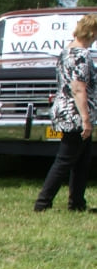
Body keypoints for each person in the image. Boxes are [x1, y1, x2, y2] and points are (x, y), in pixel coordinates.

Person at [34, 13, 97, 212]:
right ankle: (43, 202)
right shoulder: (81, 55)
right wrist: (86, 120)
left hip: (66, 110)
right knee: (65, 159)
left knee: (82, 160)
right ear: (92, 32)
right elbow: (78, 88)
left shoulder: (66, 52)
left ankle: (77, 202)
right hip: (75, 114)